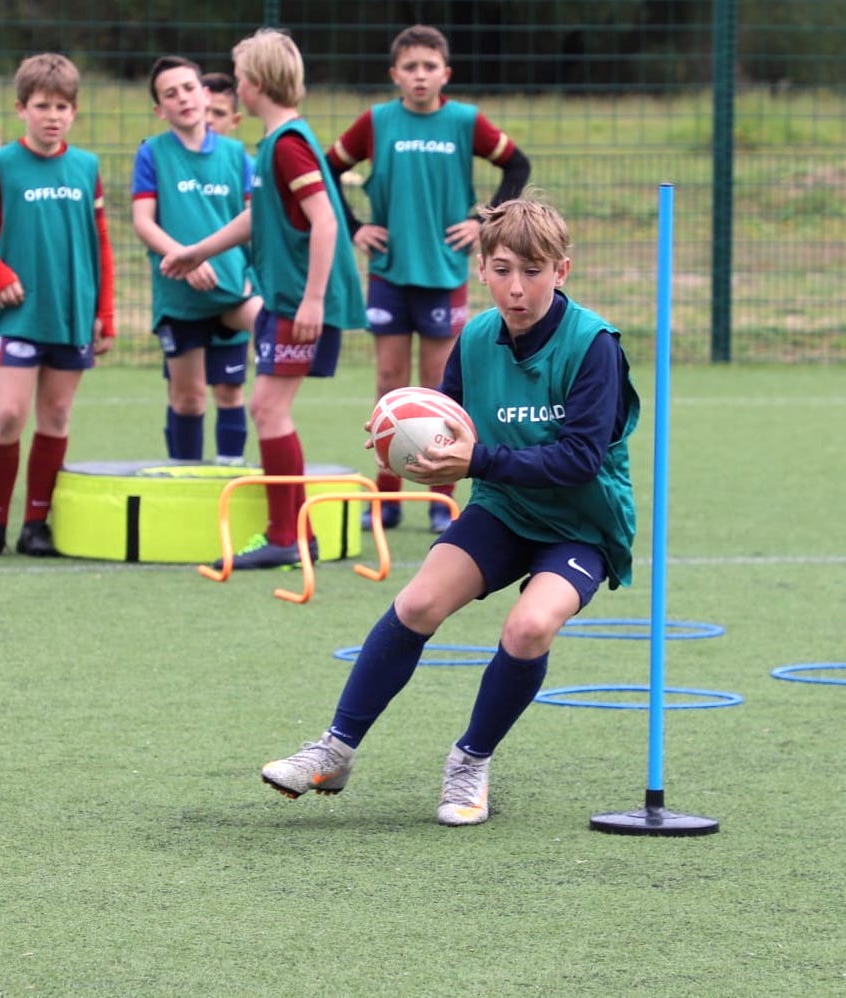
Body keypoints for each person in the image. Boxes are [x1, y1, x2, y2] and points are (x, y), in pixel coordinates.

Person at [260, 197, 639, 826]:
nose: (517, 288)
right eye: (502, 269)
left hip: (581, 523)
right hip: (503, 508)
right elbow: (448, 419)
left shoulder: (593, 345)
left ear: (562, 270)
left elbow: (578, 461)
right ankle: (335, 750)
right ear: (482, 271)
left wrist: (474, 462)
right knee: (416, 604)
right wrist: (400, 433)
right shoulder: (478, 336)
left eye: (534, 271)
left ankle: (470, 761)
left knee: (529, 627)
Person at [161, 28, 366, 569]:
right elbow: (262, 216)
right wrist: (197, 252)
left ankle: (286, 537)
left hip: (298, 298)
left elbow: (325, 221)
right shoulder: (277, 144)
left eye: (240, 76)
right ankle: (298, 537)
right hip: (283, 295)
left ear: (254, 85)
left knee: (268, 408)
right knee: (267, 407)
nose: (234, 87)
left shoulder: (289, 145)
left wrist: (314, 301)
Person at [326, 24, 531, 534]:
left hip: (443, 274)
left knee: (443, 391)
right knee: (390, 383)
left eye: (429, 67)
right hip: (390, 273)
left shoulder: (464, 120)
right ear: (396, 74)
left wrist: (485, 219)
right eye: (410, 67)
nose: (420, 76)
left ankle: (442, 501)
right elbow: (326, 170)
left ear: (445, 73)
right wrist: (356, 227)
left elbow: (516, 164)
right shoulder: (376, 122)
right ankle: (387, 498)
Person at [0, 51, 116, 558]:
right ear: (21, 109)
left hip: (73, 312)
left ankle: (36, 524)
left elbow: (102, 242)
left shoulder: (86, 166)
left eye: (62, 106)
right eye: (42, 105)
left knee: (57, 414)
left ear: (74, 112)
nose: (53, 115)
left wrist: (105, 310)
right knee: (7, 416)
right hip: (21, 314)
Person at [131, 55, 257, 466]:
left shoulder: (237, 156)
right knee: (188, 398)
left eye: (188, 88)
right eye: (170, 94)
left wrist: (252, 278)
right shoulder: (152, 154)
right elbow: (143, 222)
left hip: (232, 295)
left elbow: (257, 225)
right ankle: (185, 484)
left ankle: (231, 475)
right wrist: (184, 259)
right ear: (159, 109)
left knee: (232, 390)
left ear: (204, 94)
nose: (182, 98)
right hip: (180, 297)